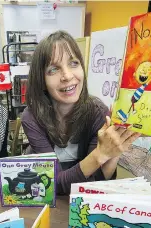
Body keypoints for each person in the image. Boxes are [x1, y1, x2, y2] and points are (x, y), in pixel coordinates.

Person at [22, 31, 141, 194]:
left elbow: (98, 183)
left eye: (73, 63)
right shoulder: (32, 117)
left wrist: (114, 152)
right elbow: (51, 185)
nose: (67, 76)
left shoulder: (98, 113)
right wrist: (100, 154)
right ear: (41, 81)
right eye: (53, 69)